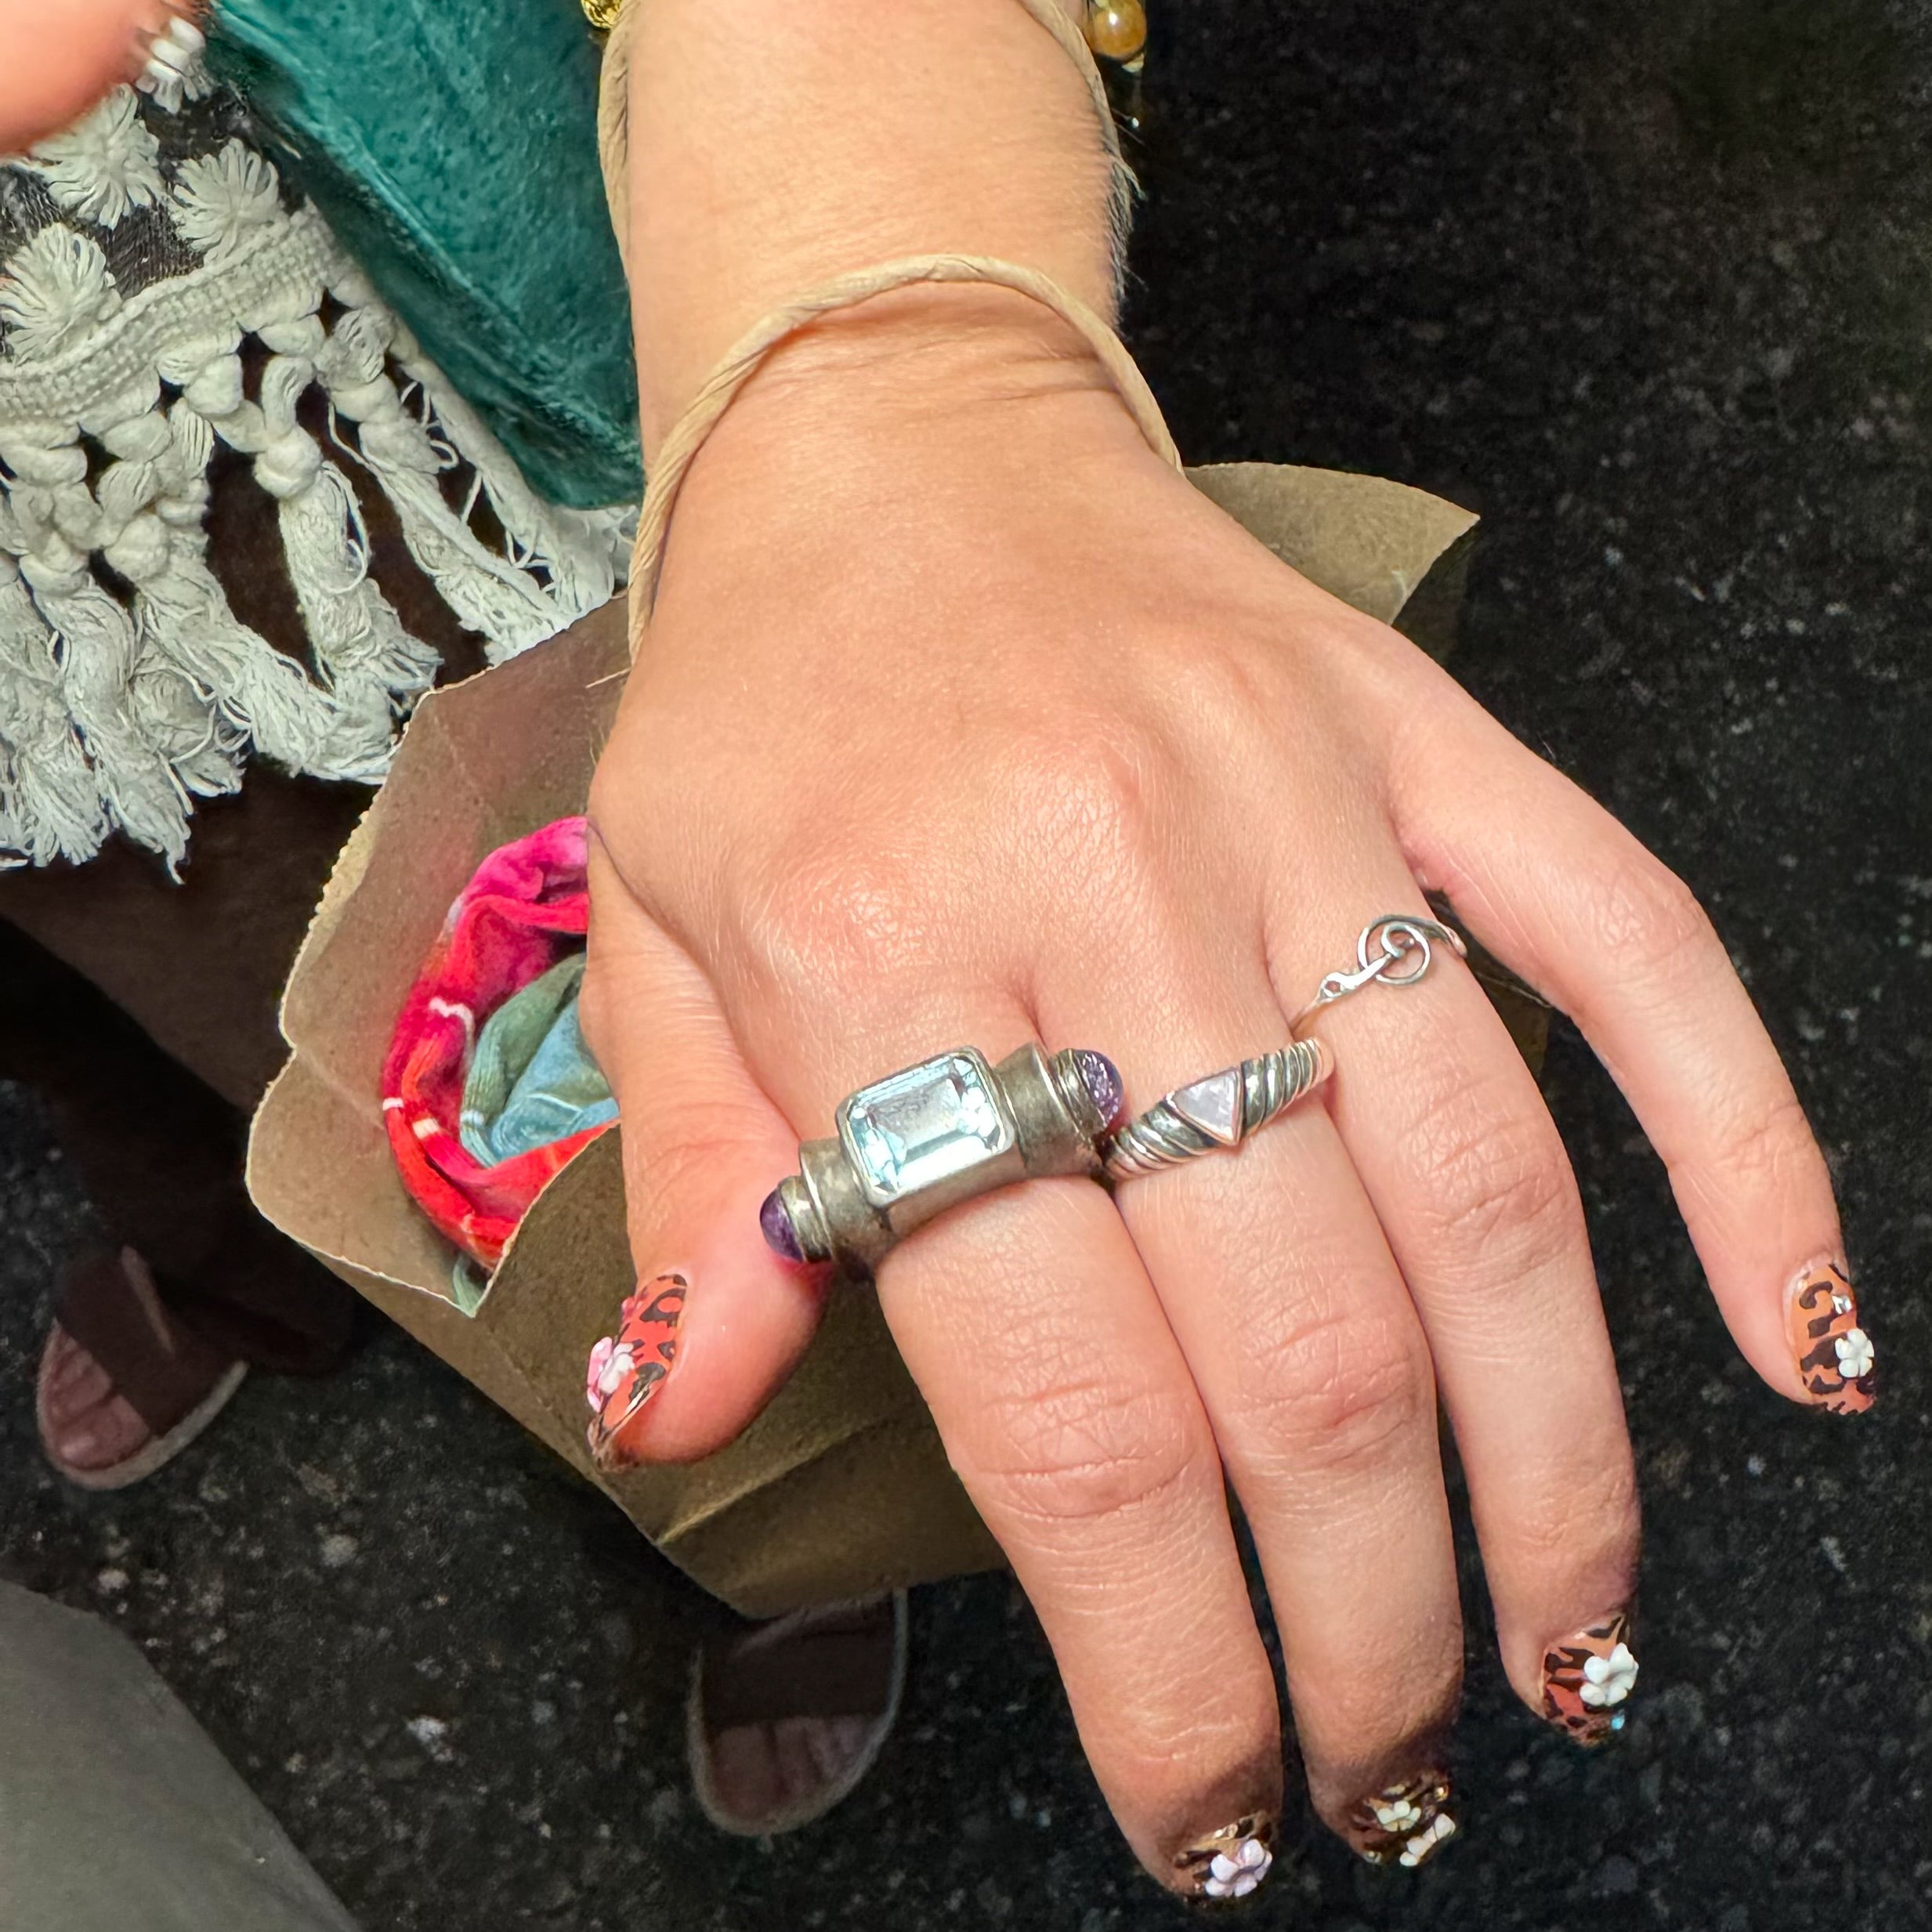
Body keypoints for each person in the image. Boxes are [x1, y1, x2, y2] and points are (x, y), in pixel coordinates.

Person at [0, 0, 1876, 1907]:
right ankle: (217, 1265)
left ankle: (807, 1528)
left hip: (393, 414)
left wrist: (890, 371)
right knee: (152, 1038)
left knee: (709, 1123)